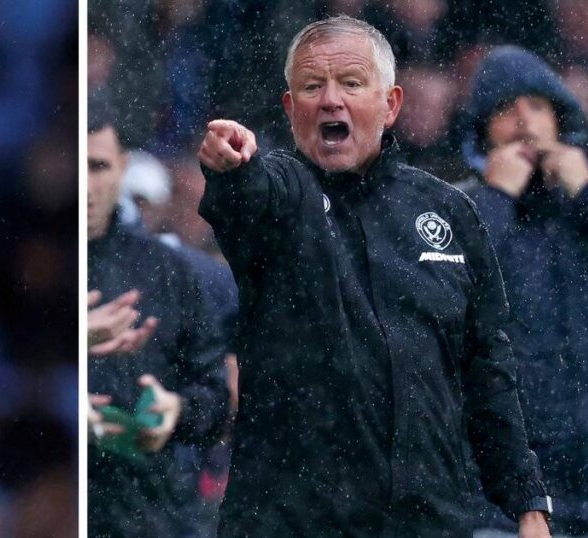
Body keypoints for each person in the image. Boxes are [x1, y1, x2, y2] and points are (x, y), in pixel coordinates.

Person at [197, 16, 551, 536]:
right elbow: (244, 200)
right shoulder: (280, 194)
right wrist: (230, 168)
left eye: (351, 83)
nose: (330, 100)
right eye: (312, 87)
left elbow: (488, 369)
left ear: (391, 105)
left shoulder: (449, 211)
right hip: (292, 522)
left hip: (429, 519)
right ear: (290, 109)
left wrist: (526, 502)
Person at [458, 45, 588, 536]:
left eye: (537, 105)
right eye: (505, 108)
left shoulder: (584, 206)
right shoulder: (460, 207)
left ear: (560, 120)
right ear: (482, 131)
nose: (523, 119)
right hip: (501, 492)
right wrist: (495, 198)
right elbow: (450, 290)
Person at [88, 102, 229, 538]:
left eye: (98, 166)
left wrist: (177, 410)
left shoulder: (176, 273)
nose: (87, 185)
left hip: (153, 514)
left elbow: (215, 399)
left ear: (122, 167)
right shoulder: (33, 269)